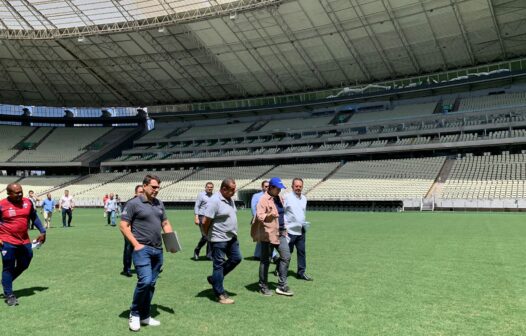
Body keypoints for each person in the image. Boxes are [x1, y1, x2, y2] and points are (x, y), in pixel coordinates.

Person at [119, 175, 174, 332]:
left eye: (158, 187)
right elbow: (123, 225)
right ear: (144, 186)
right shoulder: (133, 204)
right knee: (145, 281)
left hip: (158, 250)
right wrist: (136, 245)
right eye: (153, 187)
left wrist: (171, 243)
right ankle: (134, 313)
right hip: (142, 249)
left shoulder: (159, 204)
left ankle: (144, 316)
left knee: (151, 284)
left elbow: (165, 223)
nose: (156, 190)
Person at [0, 183, 46, 306]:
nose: (20, 194)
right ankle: (9, 294)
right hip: (7, 241)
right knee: (8, 267)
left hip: (24, 240)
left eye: (21, 191)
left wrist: (42, 231)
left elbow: (34, 217)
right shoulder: (2, 205)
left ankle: (5, 281)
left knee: (25, 263)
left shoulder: (28, 202)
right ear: (9, 194)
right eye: (17, 192)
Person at [202, 178, 242, 304]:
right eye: (232, 190)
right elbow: (205, 221)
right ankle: (219, 294)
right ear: (224, 189)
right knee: (218, 265)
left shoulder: (229, 199)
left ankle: (215, 279)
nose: (234, 192)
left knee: (237, 258)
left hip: (231, 237)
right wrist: (208, 235)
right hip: (218, 238)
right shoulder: (214, 201)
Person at [251, 177, 293, 296]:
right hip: (268, 234)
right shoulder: (263, 199)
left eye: (280, 189)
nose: (279, 191)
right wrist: (269, 215)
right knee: (265, 261)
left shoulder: (279, 198)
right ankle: (263, 286)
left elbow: (282, 213)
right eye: (278, 189)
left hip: (281, 233)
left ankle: (281, 285)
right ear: (271, 187)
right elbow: (259, 215)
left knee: (286, 256)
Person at [284, 178, 313, 281]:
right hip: (290, 231)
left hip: (301, 230)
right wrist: (284, 227)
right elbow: (282, 212)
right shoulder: (286, 197)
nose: (298, 188)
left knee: (301, 252)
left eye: (300, 186)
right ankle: (281, 270)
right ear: (292, 186)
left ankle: (301, 272)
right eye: (296, 186)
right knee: (287, 253)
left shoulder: (304, 198)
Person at [121, 185, 144, 277]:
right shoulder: (129, 203)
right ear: (135, 193)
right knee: (128, 249)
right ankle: (127, 269)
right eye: (140, 192)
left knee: (143, 250)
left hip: (141, 231)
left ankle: (149, 268)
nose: (142, 194)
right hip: (130, 230)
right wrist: (128, 231)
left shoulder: (145, 203)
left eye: (143, 192)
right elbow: (124, 219)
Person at [193, 182, 214, 261]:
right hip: (202, 217)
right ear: (205, 187)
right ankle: (197, 250)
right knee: (205, 236)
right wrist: (196, 217)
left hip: (210, 218)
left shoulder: (214, 196)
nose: (209, 188)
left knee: (210, 236)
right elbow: (197, 206)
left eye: (211, 187)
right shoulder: (201, 195)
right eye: (208, 187)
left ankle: (209, 255)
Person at [251, 180, 269, 260]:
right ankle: (274, 256)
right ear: (262, 187)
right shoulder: (256, 196)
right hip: (259, 220)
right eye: (265, 186)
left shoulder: (271, 196)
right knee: (265, 237)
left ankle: (257, 255)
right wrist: (257, 218)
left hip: (268, 220)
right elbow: (253, 207)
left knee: (262, 238)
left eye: (268, 186)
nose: (267, 188)